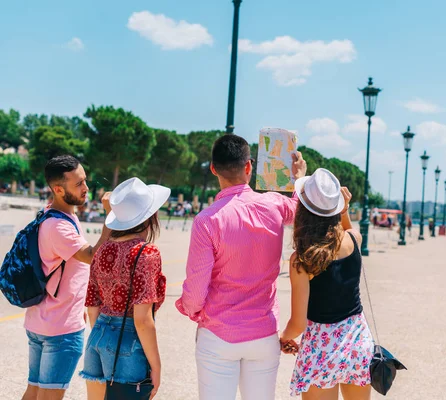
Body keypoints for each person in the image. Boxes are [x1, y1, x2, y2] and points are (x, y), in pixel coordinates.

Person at [176, 134, 307, 400]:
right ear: (249, 166)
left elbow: (196, 290)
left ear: (213, 168)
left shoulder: (206, 220)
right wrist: (299, 178)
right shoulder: (273, 205)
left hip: (218, 331)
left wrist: (191, 311)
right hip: (263, 332)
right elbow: (300, 209)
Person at [22, 155, 112, 400]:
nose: (86, 188)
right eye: (78, 184)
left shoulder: (51, 214)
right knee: (48, 395)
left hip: (41, 320)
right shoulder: (59, 227)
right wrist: (110, 216)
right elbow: (94, 256)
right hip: (60, 329)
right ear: (58, 189)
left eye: (84, 181)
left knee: (34, 391)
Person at [280, 168, 374, 399]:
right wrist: (344, 210)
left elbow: (298, 323)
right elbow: (350, 229)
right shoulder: (354, 240)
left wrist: (284, 338)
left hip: (321, 349)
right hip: (357, 342)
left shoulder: (302, 259)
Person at [79, 178, 169, 400]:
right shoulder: (146, 253)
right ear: (149, 217)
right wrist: (156, 367)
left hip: (97, 335)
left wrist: (103, 336)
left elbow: (92, 306)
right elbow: (142, 319)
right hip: (127, 339)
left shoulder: (102, 251)